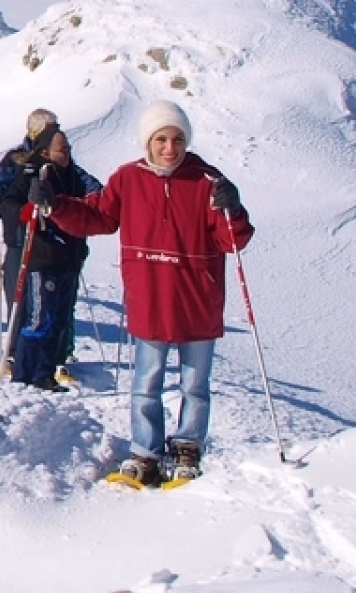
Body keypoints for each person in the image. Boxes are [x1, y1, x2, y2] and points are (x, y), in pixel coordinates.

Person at [37, 101, 254, 486]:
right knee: (147, 382)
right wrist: (55, 205)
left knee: (194, 384)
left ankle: (188, 444)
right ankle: (145, 450)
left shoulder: (207, 181)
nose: (169, 148)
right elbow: (97, 216)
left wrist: (232, 209)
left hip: (197, 300)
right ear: (147, 142)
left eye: (177, 139)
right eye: (161, 140)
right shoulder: (127, 180)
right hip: (151, 299)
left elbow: (230, 241)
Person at [6, 124, 102, 389]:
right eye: (62, 149)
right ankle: (23, 375)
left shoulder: (73, 174)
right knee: (39, 319)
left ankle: (43, 375)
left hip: (70, 256)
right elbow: (7, 204)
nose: (68, 153)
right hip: (43, 258)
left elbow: (99, 194)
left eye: (69, 148)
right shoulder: (34, 173)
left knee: (59, 320)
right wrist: (28, 209)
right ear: (46, 152)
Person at [0, 108, 60, 323]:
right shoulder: (15, 159)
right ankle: (15, 349)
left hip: (51, 239)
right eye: (52, 129)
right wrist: (2, 203)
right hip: (20, 237)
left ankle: (58, 349)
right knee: (19, 297)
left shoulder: (58, 157)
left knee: (52, 297)